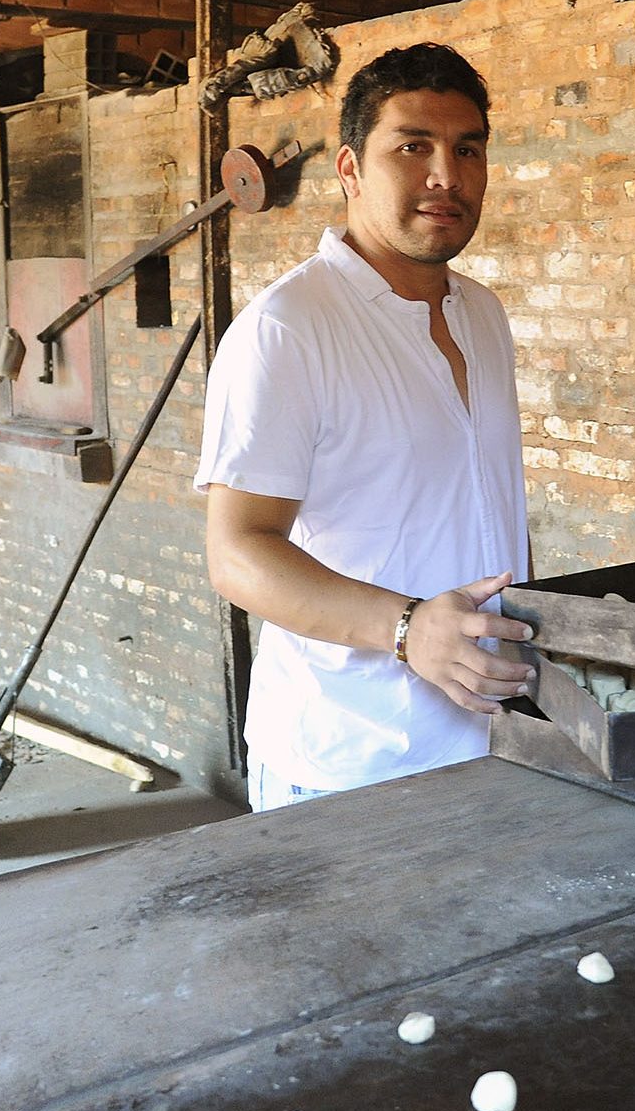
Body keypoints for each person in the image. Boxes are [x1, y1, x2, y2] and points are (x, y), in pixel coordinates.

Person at [196, 43, 536, 812]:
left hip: (497, 741)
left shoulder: (481, 315)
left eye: (468, 148)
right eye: (412, 146)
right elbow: (236, 553)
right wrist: (409, 627)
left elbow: (490, 510)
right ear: (349, 169)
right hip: (349, 764)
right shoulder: (289, 328)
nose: (446, 175)